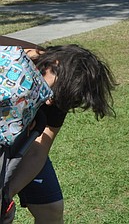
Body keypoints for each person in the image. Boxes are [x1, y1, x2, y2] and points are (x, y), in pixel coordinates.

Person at [0, 37, 116, 224]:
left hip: (25, 145)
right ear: (54, 64)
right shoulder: (15, 55)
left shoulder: (60, 90)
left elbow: (39, 149)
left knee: (51, 211)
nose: (48, 102)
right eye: (52, 92)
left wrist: (6, 195)